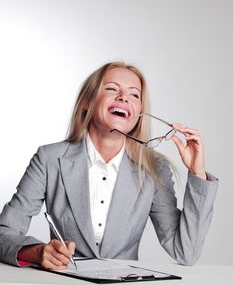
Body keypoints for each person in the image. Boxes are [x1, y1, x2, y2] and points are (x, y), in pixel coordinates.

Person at [0, 61, 218, 270]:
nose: (124, 97)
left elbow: (185, 252)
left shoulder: (154, 168)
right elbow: (4, 233)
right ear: (87, 102)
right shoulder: (49, 159)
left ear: (138, 113)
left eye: (134, 94)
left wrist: (197, 172)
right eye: (112, 89)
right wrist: (38, 252)